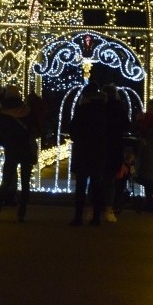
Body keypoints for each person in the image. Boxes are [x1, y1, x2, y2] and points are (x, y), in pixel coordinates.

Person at [0, 85, 38, 223]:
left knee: (5, 181)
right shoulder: (27, 110)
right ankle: (21, 214)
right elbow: (33, 129)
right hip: (26, 150)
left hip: (11, 150)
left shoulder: (3, 111)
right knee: (25, 182)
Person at [68, 81, 108, 225]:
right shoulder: (104, 110)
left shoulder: (82, 110)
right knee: (97, 184)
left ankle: (78, 217)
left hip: (83, 151)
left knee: (81, 185)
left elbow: (73, 130)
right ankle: (96, 217)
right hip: (99, 151)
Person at [101, 83, 131, 222]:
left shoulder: (99, 107)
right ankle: (108, 209)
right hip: (115, 147)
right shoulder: (120, 108)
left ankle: (91, 208)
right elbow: (126, 126)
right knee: (111, 179)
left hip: (100, 146)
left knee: (96, 179)